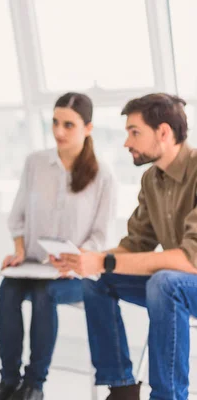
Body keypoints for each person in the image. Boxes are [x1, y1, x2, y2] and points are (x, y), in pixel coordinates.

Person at [54, 93, 197, 400]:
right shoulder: (151, 180)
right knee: (96, 282)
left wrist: (104, 262)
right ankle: (121, 388)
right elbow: (135, 244)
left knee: (165, 282)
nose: (126, 143)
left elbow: (190, 260)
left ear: (163, 132)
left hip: (184, 279)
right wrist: (87, 260)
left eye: (134, 132)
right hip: (178, 283)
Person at [0, 93, 116, 400]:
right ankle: (8, 382)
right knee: (7, 291)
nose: (59, 131)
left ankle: (34, 385)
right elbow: (17, 218)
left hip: (74, 274)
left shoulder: (103, 175)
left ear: (89, 127)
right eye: (55, 122)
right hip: (33, 265)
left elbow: (100, 235)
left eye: (69, 125)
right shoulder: (35, 163)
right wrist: (18, 250)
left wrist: (76, 260)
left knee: (46, 294)